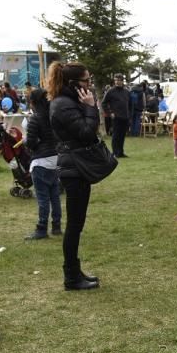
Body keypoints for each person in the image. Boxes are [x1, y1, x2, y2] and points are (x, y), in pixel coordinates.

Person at [49, 61, 102, 291]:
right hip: (74, 168)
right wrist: (91, 108)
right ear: (73, 83)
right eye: (86, 81)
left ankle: (74, 271)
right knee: (74, 225)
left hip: (75, 166)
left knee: (76, 224)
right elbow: (87, 133)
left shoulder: (68, 101)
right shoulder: (63, 104)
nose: (89, 85)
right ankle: (71, 276)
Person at [24, 88, 62, 240]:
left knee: (43, 198)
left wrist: (29, 142)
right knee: (55, 196)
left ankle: (41, 229)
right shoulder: (53, 116)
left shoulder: (35, 119)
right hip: (55, 158)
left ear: (32, 102)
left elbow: (31, 143)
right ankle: (57, 226)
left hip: (41, 161)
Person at [101, 73, 130, 158]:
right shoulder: (110, 91)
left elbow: (129, 103)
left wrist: (129, 114)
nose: (117, 82)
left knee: (122, 135)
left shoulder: (126, 92)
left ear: (122, 81)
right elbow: (104, 103)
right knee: (116, 135)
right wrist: (110, 113)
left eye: (119, 80)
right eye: (116, 80)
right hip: (116, 117)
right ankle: (115, 153)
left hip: (125, 116)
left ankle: (120, 152)